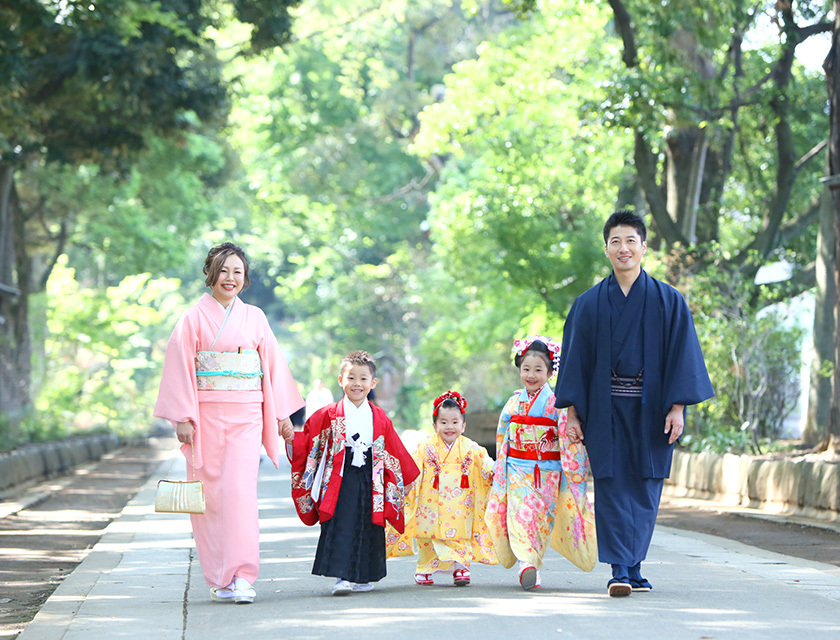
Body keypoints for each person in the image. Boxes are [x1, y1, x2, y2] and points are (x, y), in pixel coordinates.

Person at [554, 210, 714, 597]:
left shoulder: (668, 301)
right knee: (611, 486)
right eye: (615, 241)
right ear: (606, 248)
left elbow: (682, 356)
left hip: (653, 408)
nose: (623, 248)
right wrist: (573, 413)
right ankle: (619, 570)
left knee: (646, 487)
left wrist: (678, 407)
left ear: (644, 247)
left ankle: (635, 567)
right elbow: (576, 361)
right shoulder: (588, 304)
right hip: (604, 408)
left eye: (631, 241)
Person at [154, 242, 304, 604]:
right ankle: (218, 577)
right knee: (208, 500)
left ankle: (242, 576)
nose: (230, 278)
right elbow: (179, 368)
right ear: (211, 273)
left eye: (237, 271)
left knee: (239, 493)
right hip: (204, 416)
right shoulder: (192, 318)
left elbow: (271, 369)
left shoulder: (255, 318)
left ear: (245, 277)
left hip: (246, 415)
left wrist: (282, 415)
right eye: (224, 271)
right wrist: (183, 417)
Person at [290, 350, 420, 595]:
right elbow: (308, 439)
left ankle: (363, 575)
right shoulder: (327, 414)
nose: (357, 384)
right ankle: (342, 576)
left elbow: (394, 448)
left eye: (363, 378)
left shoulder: (379, 416)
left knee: (369, 522)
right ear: (341, 380)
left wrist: (406, 477)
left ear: (373, 383)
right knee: (341, 522)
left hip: (372, 474)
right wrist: (292, 439)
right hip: (338, 475)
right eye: (351, 378)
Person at [485, 336, 597, 590]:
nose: (531, 375)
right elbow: (503, 438)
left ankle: (532, 561)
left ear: (549, 372)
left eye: (538, 370)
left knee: (540, 519)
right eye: (526, 369)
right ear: (519, 370)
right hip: (516, 468)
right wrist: (500, 465)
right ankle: (527, 563)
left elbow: (568, 439)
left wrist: (571, 463)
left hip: (548, 472)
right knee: (519, 513)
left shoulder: (558, 405)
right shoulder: (514, 403)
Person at [387, 391, 497, 586]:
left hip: (461, 504)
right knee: (428, 537)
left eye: (455, 422)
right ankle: (425, 567)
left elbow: (486, 464)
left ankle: (461, 566)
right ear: (435, 425)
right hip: (431, 503)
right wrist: (405, 481)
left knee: (461, 535)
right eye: (444, 422)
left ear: (463, 425)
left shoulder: (471, 449)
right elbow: (411, 467)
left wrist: (495, 472)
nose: (449, 427)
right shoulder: (425, 448)